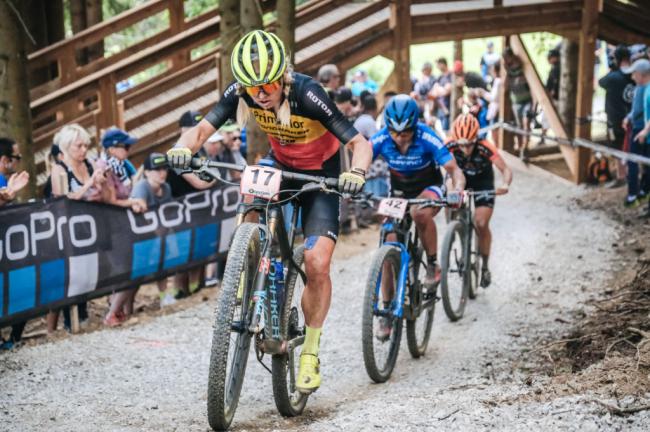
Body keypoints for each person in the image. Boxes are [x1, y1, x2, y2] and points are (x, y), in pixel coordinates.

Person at [166, 30, 372, 394]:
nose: (260, 93)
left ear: (284, 76)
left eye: (267, 85)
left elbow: (358, 143)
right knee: (249, 187)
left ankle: (309, 350)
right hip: (279, 165)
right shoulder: (241, 90)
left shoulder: (308, 93)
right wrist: (182, 149)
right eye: (252, 86)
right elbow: (200, 129)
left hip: (320, 177)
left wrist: (355, 172)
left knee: (316, 263)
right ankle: (245, 271)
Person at [370, 95, 465, 339]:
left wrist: (456, 190)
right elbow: (359, 159)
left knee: (420, 213)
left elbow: (454, 171)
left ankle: (432, 263)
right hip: (399, 191)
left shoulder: (427, 136)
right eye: (395, 133)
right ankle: (387, 308)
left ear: (415, 125)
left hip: (429, 187)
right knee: (388, 238)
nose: (400, 138)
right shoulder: (380, 138)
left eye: (406, 132)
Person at [48, 124, 109, 333]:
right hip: (65, 231)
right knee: (71, 275)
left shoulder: (90, 164)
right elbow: (62, 200)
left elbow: (100, 194)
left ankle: (84, 314)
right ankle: (70, 321)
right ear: (66, 147)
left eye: (85, 145)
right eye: (78, 146)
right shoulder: (59, 169)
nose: (83, 150)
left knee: (87, 272)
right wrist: (88, 184)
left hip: (88, 227)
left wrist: (100, 182)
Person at [104, 153, 176, 326]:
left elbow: (169, 213)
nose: (162, 173)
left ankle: (129, 310)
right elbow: (137, 215)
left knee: (148, 271)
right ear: (147, 172)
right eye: (157, 169)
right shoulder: (141, 188)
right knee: (132, 276)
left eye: (164, 169)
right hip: (130, 239)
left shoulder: (166, 188)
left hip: (152, 238)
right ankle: (113, 312)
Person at [446, 114, 512, 288]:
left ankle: (485, 267)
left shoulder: (485, 147)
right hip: (462, 181)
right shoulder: (449, 144)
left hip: (483, 183)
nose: (466, 149)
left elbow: (505, 169)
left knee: (481, 223)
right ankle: (454, 229)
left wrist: (505, 184)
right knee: (449, 194)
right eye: (462, 145)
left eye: (469, 144)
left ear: (476, 138)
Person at [599, 45, 635, 187]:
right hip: (632, 118)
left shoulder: (613, 77)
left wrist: (613, 69)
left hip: (616, 119)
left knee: (618, 148)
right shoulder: (634, 75)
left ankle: (622, 176)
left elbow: (601, 82)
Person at [622, 58, 650, 207]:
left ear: (641, 74)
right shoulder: (642, 87)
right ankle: (644, 190)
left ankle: (633, 194)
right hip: (643, 129)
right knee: (646, 161)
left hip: (640, 129)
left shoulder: (642, 89)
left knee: (633, 160)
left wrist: (629, 118)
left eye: (634, 74)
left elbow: (637, 110)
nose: (632, 77)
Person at [503, 47, 533, 159]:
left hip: (526, 100)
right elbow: (505, 87)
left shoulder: (523, 67)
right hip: (516, 102)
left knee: (526, 125)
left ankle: (525, 147)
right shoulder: (508, 70)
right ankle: (521, 148)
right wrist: (506, 72)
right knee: (520, 126)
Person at [0, 137, 29, 205]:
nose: (20, 162)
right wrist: (7, 195)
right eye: (18, 157)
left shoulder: (4, 179)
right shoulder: (1, 180)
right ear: (5, 160)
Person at [430, 58, 453, 130]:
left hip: (448, 108)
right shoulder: (440, 77)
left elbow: (447, 91)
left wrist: (439, 90)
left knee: (446, 130)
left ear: (443, 64)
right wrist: (441, 90)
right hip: (440, 109)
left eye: (438, 65)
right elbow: (434, 91)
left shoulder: (450, 75)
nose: (437, 67)